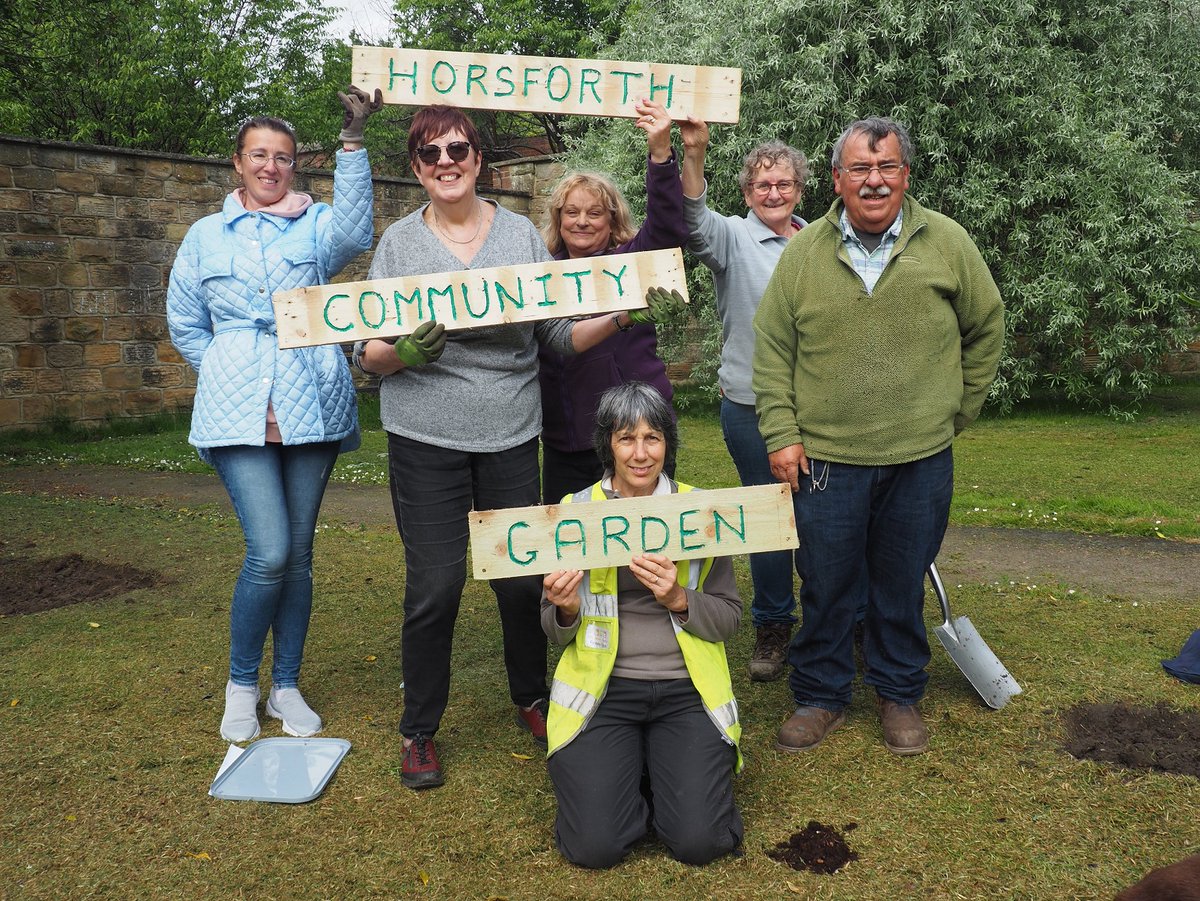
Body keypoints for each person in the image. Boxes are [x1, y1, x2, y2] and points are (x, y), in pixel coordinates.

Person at [353, 105, 680, 790]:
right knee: (436, 584)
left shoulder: (524, 238)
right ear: (416, 167)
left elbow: (557, 336)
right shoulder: (398, 245)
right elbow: (368, 353)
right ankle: (419, 729)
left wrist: (621, 312)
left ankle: (531, 695)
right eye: (430, 153)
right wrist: (404, 352)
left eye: (458, 150)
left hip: (507, 432)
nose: (446, 162)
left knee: (520, 576)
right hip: (425, 436)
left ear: (479, 160)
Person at [752, 116, 1005, 756]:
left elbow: (987, 327)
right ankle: (820, 694)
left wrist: (955, 411)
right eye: (859, 170)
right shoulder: (803, 257)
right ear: (836, 180)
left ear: (905, 175)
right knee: (828, 582)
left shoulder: (947, 243)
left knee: (899, 580)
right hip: (827, 459)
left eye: (886, 167)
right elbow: (773, 352)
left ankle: (898, 693)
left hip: (921, 456)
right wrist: (782, 433)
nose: (873, 181)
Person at [167, 87, 383, 743]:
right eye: (259, 155)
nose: (271, 166)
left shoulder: (315, 226)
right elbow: (185, 323)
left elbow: (355, 232)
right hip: (238, 412)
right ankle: (242, 685)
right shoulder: (204, 236)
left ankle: (285, 685)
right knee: (270, 550)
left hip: (311, 400)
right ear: (238, 162)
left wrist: (352, 145)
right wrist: (230, 367)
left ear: (295, 165)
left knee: (301, 556)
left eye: (283, 157)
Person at [542, 381, 743, 868]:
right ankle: (634, 778)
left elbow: (729, 619)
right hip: (604, 692)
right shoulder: (573, 513)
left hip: (683, 691)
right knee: (593, 847)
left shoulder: (700, 512)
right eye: (626, 438)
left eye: (652, 438)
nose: (640, 453)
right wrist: (565, 608)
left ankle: (661, 774)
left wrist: (678, 597)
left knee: (701, 842)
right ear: (607, 445)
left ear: (668, 444)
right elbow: (551, 628)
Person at [680, 120, 807, 682]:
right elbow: (688, 217)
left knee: (826, 522)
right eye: (762, 186)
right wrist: (695, 151)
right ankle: (774, 626)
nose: (773, 193)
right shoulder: (730, 236)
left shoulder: (821, 242)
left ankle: (841, 621)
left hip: (821, 410)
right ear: (747, 194)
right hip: (751, 406)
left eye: (783, 184)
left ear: (800, 189)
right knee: (767, 521)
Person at [538, 98, 689, 504]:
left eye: (594, 213)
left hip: (634, 436)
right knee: (569, 550)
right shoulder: (539, 277)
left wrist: (660, 153)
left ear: (612, 220)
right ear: (558, 219)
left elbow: (666, 224)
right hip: (564, 443)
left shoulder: (631, 263)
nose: (582, 221)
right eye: (571, 212)